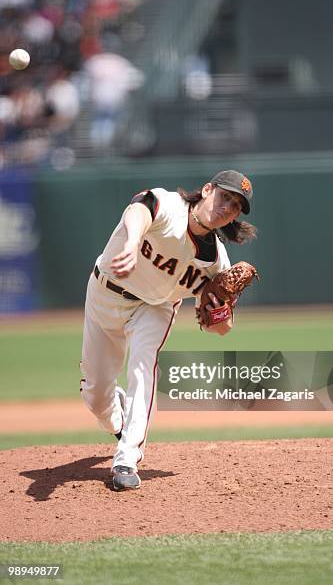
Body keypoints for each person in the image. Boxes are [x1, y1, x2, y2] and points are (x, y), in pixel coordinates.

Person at [80, 169, 257, 491]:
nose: (227, 207)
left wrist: (220, 312)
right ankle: (116, 414)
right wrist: (133, 243)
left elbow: (223, 329)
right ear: (206, 190)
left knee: (143, 364)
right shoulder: (168, 205)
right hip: (104, 294)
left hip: (155, 307)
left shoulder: (215, 259)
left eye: (235, 206)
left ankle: (127, 458)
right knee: (95, 397)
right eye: (225, 196)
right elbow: (137, 209)